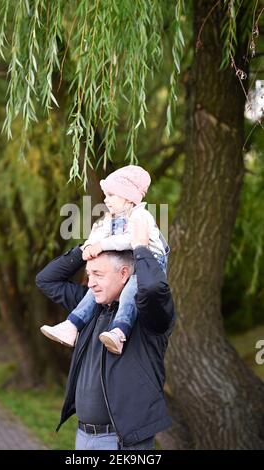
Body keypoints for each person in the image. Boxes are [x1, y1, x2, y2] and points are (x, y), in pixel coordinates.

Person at [35, 216, 176, 450]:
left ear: (123, 274)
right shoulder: (89, 308)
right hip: (84, 436)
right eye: (89, 275)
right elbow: (46, 280)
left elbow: (152, 288)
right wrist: (89, 246)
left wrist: (141, 247)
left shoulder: (149, 317)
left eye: (98, 275)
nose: (90, 283)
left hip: (124, 441)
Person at [40, 165, 170, 354]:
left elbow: (130, 240)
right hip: (127, 262)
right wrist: (88, 247)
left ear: (128, 197)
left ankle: (119, 331)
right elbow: (100, 234)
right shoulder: (112, 218)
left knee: (129, 294)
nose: (105, 200)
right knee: (93, 292)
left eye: (110, 195)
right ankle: (72, 325)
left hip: (148, 265)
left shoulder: (140, 215)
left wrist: (101, 246)